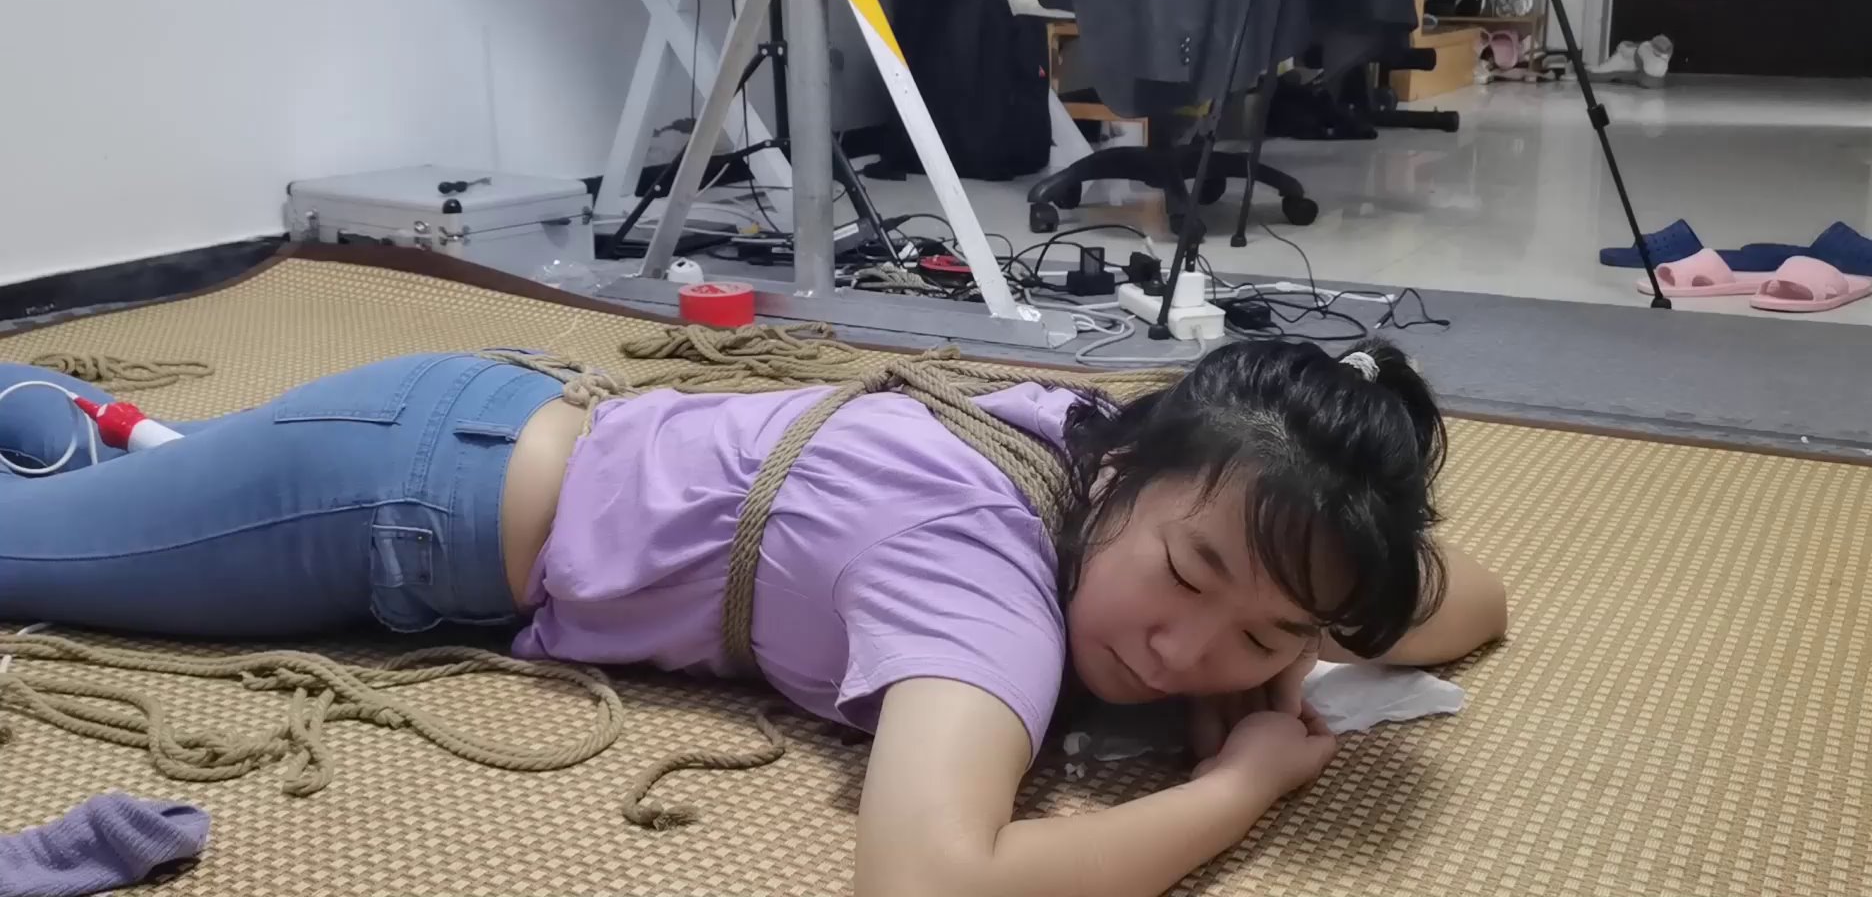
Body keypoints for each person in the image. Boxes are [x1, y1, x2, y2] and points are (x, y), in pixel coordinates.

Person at [0, 338, 1506, 897]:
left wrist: (1288, 622)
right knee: (26, 558)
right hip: (392, 503)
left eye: (1267, 635)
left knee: (121, 497)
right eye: (1184, 579)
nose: (1184, 654)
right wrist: (1242, 781)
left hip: (476, 420)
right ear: (1120, 474)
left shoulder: (1113, 434)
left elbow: (1476, 596)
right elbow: (932, 884)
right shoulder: (978, 580)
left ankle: (57, 418)